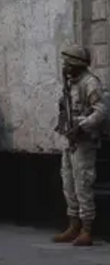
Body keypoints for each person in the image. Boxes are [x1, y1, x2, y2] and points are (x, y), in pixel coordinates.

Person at [53, 44, 106, 247]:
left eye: (68, 63)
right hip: (69, 140)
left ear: (77, 64)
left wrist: (81, 125)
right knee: (68, 183)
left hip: (84, 141)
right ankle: (73, 224)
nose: (65, 67)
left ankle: (86, 228)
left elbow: (101, 111)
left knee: (83, 183)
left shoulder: (89, 83)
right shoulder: (70, 84)